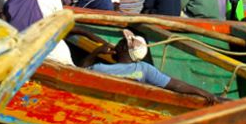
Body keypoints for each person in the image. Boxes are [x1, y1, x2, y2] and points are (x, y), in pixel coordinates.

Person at [82, 29, 218, 104]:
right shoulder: (144, 69)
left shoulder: (100, 69)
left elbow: (80, 72)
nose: (116, 44)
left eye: (120, 42)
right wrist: (203, 92)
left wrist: (94, 53)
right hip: (134, 104)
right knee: (221, 100)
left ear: (123, 47)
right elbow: (176, 85)